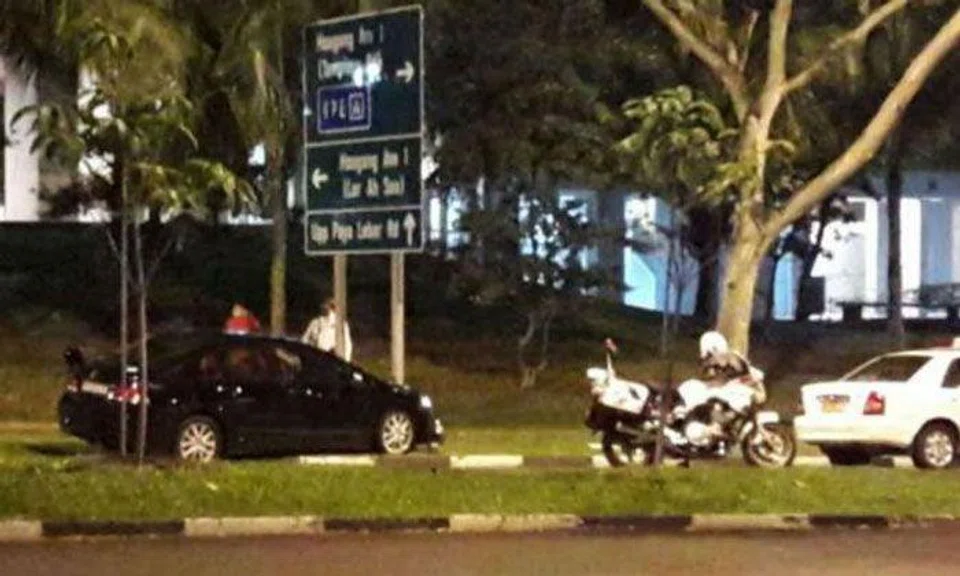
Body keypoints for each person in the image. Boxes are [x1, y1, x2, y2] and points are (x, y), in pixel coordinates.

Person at [697, 330, 766, 404]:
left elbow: (755, 378)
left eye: (709, 355)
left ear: (716, 349)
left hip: (751, 392)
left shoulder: (735, 362)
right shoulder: (714, 365)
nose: (709, 360)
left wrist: (731, 385)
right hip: (731, 390)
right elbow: (711, 380)